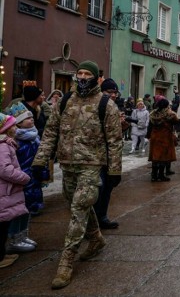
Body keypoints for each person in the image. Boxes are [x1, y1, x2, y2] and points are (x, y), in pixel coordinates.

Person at [31, 60, 123, 289]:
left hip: (92, 164)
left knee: (78, 208)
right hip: (68, 163)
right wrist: (40, 160)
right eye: (79, 73)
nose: (82, 77)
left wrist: (114, 170)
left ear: (94, 77)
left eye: (87, 74)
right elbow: (51, 132)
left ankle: (66, 262)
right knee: (77, 203)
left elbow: (114, 141)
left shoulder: (105, 104)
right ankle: (96, 239)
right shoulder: (64, 102)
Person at [5, 103, 42, 254]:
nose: (31, 120)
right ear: (18, 123)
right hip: (20, 179)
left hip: (31, 177)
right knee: (17, 210)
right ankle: (14, 238)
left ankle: (23, 235)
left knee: (27, 208)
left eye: (32, 117)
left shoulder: (34, 136)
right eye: (27, 118)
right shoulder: (14, 141)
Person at [93, 78, 124, 230]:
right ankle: (92, 223)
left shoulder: (114, 107)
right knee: (97, 189)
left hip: (111, 155)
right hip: (96, 156)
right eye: (109, 92)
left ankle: (102, 217)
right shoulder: (98, 105)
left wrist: (122, 125)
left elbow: (115, 135)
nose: (113, 95)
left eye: (115, 92)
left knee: (108, 188)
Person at [0, 113, 31, 269]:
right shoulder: (3, 146)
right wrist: (23, 177)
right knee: (2, 225)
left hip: (6, 191)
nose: (15, 127)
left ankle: (3, 253)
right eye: (12, 125)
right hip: (4, 191)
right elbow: (4, 169)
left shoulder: (6, 143)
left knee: (4, 223)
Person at [147, 98, 180, 182]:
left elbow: (150, 126)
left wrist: (148, 135)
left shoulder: (153, 114)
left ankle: (154, 176)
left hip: (155, 136)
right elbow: (176, 121)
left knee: (155, 157)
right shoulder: (169, 114)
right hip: (165, 137)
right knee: (163, 157)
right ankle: (161, 175)